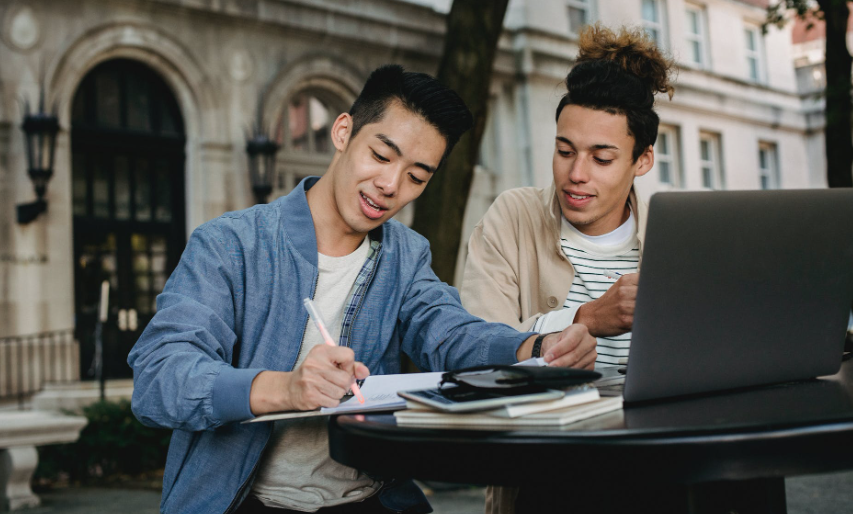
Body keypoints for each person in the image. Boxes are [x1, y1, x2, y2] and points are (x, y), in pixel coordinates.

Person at [128, 64, 598, 514]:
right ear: (343, 132)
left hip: (370, 499)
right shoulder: (231, 244)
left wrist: (535, 346)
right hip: (244, 501)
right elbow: (158, 378)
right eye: (380, 155)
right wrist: (286, 388)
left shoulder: (405, 255)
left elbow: (451, 334)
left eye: (416, 176)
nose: (390, 185)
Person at [460, 25, 675, 514]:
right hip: (545, 474)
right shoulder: (513, 217)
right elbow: (472, 346)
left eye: (602, 158)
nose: (576, 174)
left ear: (642, 161)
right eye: (564, 151)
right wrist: (585, 320)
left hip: (659, 464)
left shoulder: (674, 239)